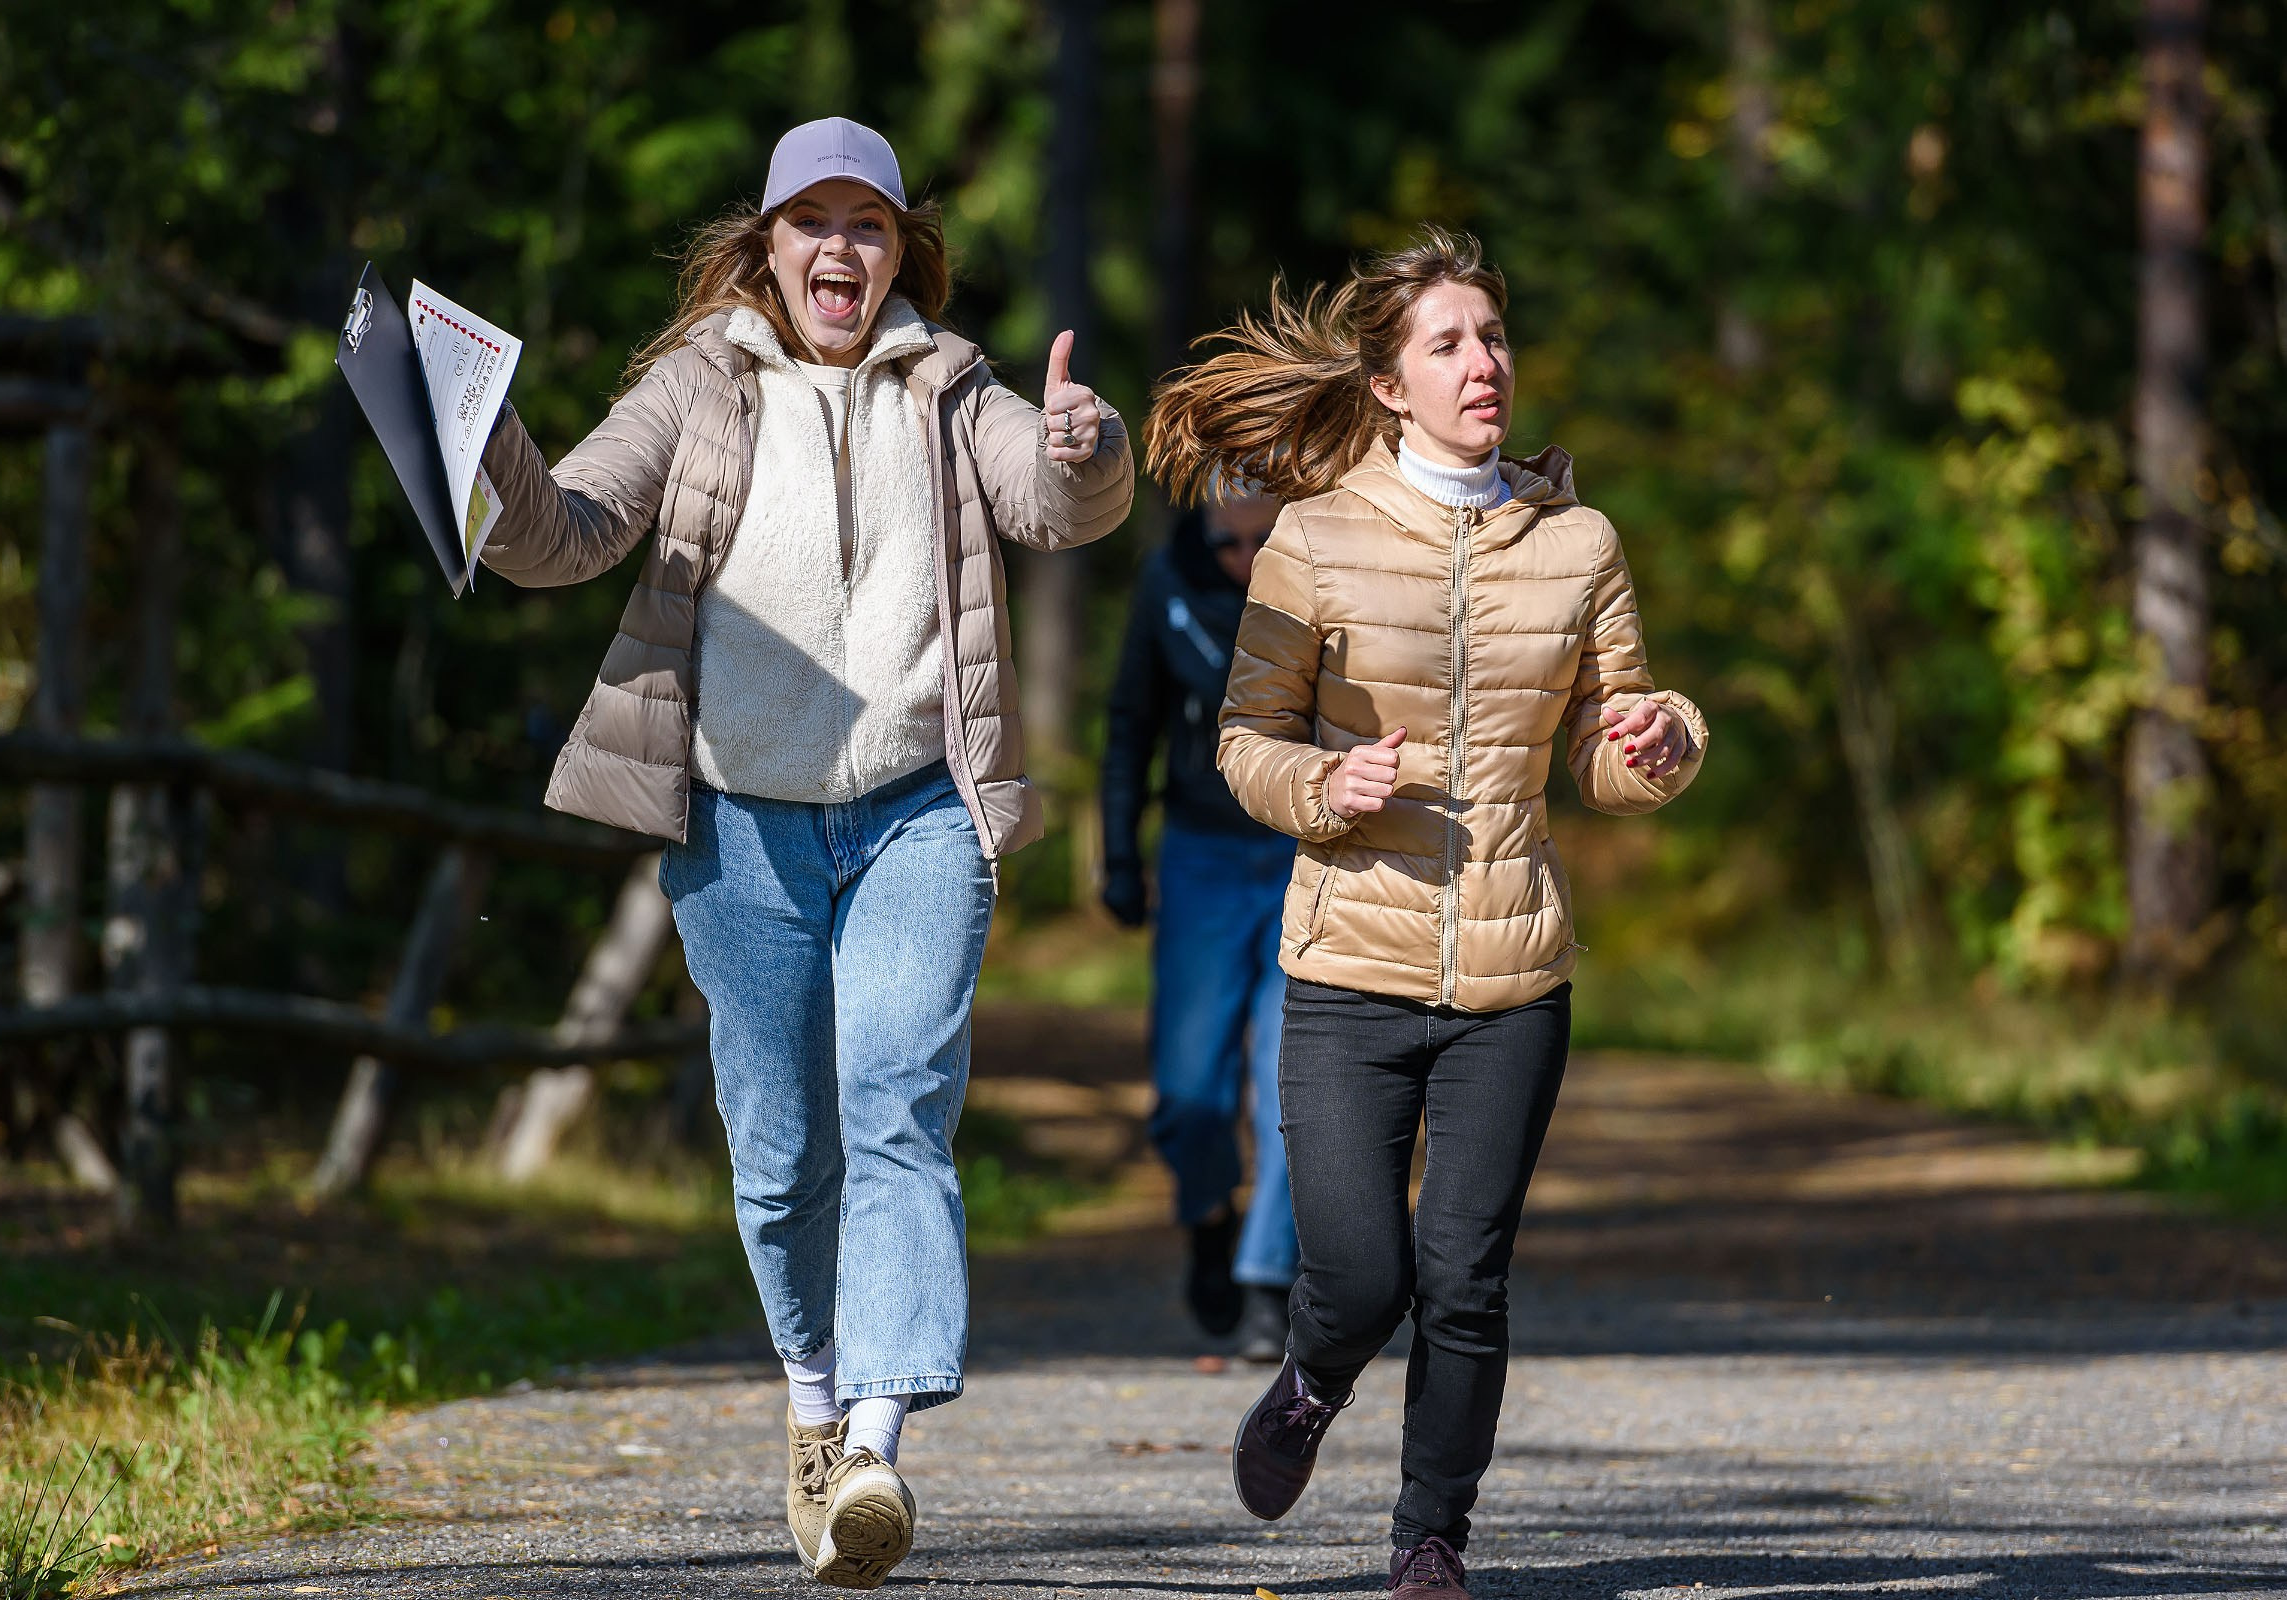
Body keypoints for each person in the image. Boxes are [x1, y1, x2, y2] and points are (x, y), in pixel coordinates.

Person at [473, 117, 1134, 1589]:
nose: (842, 248)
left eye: (871, 225)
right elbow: (564, 534)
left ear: (904, 252)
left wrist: (1091, 449)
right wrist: (483, 446)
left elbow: (1053, 498)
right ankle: (817, 1411)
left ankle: (880, 1453)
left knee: (898, 1104)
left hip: (916, 806)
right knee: (779, 1159)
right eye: (813, 223)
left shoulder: (951, 387)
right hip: (738, 818)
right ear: (768, 246)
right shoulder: (696, 386)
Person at [1144, 226, 1706, 1599]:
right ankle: (1307, 1385)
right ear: (1389, 383)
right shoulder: (1316, 540)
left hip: (1514, 976)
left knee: (1465, 1276)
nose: (1484, 364)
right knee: (1358, 1270)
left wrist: (1657, 746)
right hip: (1347, 968)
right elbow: (1244, 740)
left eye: (1494, 337)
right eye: (1449, 343)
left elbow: (1607, 736)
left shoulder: (1576, 542)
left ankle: (1429, 1540)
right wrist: (1324, 784)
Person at [1099, 481, 1301, 1360]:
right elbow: (1129, 719)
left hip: (1308, 854)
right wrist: (1116, 851)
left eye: (1267, 541)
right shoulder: (1167, 583)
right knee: (1189, 1093)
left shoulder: (1323, 582)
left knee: (1296, 1085)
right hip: (1199, 858)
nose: (1247, 562)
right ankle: (1209, 1220)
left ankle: (1268, 1282)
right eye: (1230, 543)